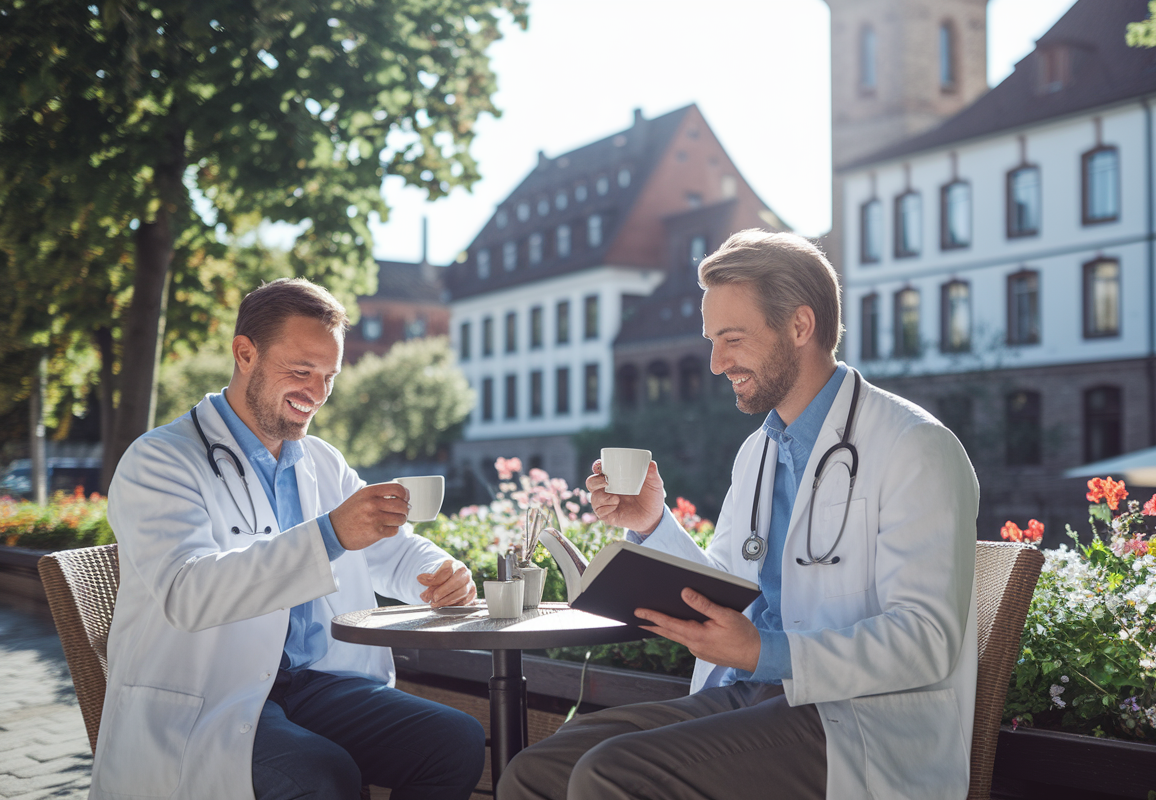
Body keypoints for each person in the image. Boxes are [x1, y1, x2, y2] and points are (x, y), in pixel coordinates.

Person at [497, 230, 980, 800]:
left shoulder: (914, 445)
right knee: (538, 770)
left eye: (732, 339)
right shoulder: (758, 452)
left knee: (611, 774)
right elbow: (721, 591)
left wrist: (762, 651)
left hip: (857, 725)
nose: (715, 362)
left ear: (800, 327)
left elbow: (926, 640)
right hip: (749, 698)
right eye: (711, 340)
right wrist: (652, 523)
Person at [94, 278, 485, 800]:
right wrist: (328, 535)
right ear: (245, 353)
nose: (317, 393)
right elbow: (187, 593)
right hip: (213, 698)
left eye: (329, 376)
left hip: (316, 684)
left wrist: (441, 574)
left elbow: (390, 546)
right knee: (322, 775)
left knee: (454, 741)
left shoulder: (322, 461)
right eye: (301, 371)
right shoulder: (160, 460)